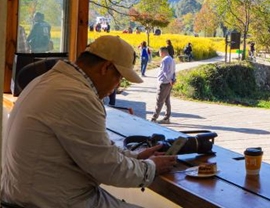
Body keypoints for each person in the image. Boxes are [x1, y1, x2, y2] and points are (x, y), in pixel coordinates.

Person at [1, 35, 177, 207]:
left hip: (27, 196)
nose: (117, 86)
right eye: (119, 78)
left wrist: (136, 156)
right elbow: (108, 168)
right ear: (105, 67)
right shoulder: (77, 97)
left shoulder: (49, 81)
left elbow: (97, 151)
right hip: (50, 201)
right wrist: (151, 167)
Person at [151, 46, 176, 123]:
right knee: (167, 100)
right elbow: (173, 71)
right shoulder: (172, 59)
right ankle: (167, 117)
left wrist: (169, 80)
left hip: (164, 83)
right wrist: (173, 80)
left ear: (162, 52)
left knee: (159, 101)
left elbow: (165, 73)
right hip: (169, 83)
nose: (159, 54)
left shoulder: (165, 60)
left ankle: (154, 118)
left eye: (159, 53)